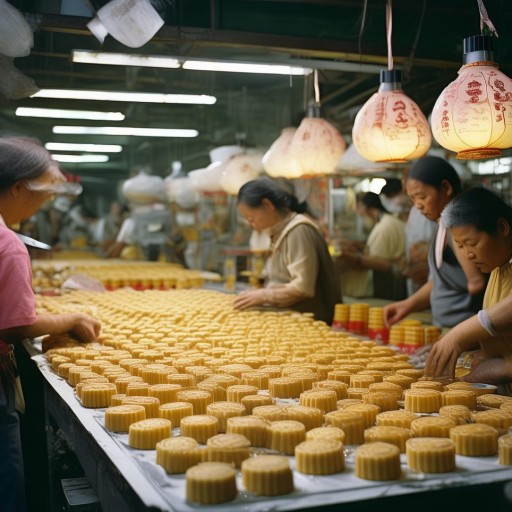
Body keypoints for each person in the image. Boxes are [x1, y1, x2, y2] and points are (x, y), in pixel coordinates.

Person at [0, 137, 101, 512]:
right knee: (5, 480)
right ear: (17, 187)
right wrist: (68, 318)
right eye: (40, 192)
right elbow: (14, 324)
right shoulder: (7, 243)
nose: (45, 201)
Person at [383, 156, 487, 330]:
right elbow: (438, 282)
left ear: (446, 188)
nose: (418, 206)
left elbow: (477, 283)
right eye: (413, 200)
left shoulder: (458, 227)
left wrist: (469, 322)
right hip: (448, 329)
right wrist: (406, 306)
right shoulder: (443, 225)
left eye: (422, 197)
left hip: (462, 331)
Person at [424, 186, 512, 389]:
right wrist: (468, 345)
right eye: (460, 246)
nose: (467, 254)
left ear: (502, 228)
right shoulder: (498, 267)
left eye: (471, 243)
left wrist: (460, 335)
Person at [233, 177, 341, 324]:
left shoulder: (298, 230)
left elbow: (303, 288)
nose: (251, 224)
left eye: (251, 218)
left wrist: (265, 295)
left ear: (267, 205)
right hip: (289, 319)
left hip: (308, 323)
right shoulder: (279, 232)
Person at [339, 191, 407, 300]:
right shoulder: (388, 221)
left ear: (365, 207)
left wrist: (350, 256)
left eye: (358, 208)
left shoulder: (384, 227)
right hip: (394, 283)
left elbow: (381, 262)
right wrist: (359, 246)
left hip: (387, 285)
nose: (358, 212)